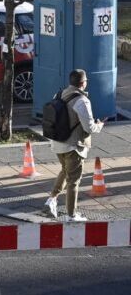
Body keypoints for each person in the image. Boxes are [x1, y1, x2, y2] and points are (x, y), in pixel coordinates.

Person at [44, 69, 106, 222]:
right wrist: (99, 125)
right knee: (74, 180)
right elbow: (88, 127)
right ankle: (72, 215)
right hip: (73, 145)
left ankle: (51, 200)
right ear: (83, 83)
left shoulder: (58, 94)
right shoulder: (82, 101)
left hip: (57, 142)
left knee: (65, 171)